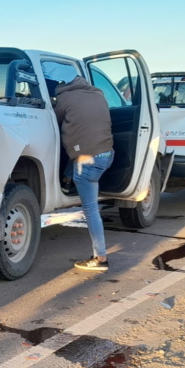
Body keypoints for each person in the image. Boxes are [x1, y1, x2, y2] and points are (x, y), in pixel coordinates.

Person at [49, 71, 116, 271]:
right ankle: (66, 180)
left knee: (91, 209)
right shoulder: (98, 94)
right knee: (78, 150)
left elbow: (52, 121)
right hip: (107, 155)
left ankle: (100, 258)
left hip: (88, 163)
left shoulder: (64, 99)